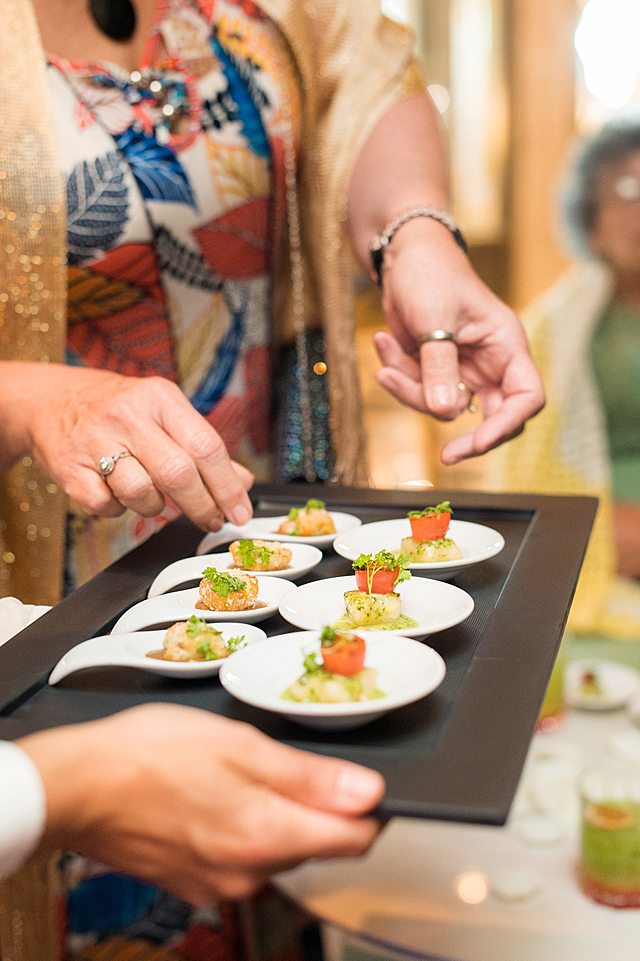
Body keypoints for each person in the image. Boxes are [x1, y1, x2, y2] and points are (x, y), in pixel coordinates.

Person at [0, 0, 544, 610]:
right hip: (56, 560)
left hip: (264, 507)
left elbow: (361, 70)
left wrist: (417, 235)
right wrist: (37, 401)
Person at [487, 113, 640, 640]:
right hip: (595, 532)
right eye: (625, 188)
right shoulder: (554, 327)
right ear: (590, 217)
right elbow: (529, 470)